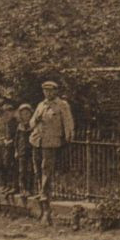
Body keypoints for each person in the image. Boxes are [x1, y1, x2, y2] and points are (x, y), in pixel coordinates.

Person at [29, 81, 74, 221]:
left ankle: (45, 193)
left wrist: (68, 137)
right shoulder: (40, 105)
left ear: (55, 91)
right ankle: (40, 190)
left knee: (46, 168)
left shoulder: (62, 105)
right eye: (45, 91)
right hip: (37, 140)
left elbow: (68, 122)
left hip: (52, 141)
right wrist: (35, 119)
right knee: (37, 167)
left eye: (50, 91)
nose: (48, 93)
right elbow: (31, 123)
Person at [0, 97, 14, 193]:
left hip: (4, 142)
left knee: (6, 163)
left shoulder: (6, 116)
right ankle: (1, 184)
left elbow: (8, 129)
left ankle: (9, 184)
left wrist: (7, 139)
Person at [13, 103, 34, 194]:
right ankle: (23, 189)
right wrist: (16, 151)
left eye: (27, 113)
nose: (25, 116)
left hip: (31, 150)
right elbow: (16, 140)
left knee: (31, 170)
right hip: (22, 151)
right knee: (22, 170)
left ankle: (30, 188)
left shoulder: (33, 126)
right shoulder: (19, 126)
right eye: (23, 114)